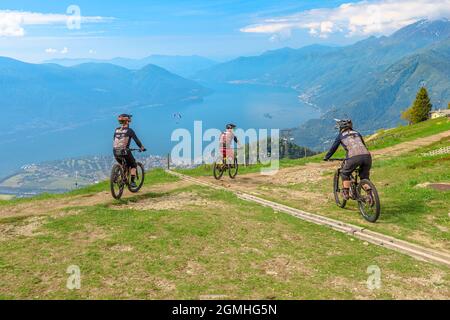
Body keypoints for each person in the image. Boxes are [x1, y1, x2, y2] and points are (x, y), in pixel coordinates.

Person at [323, 119, 372, 200]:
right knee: (364, 177)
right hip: (367, 156)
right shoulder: (357, 133)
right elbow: (363, 145)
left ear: (341, 128)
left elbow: (333, 148)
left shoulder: (341, 135)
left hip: (354, 157)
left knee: (345, 173)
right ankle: (370, 195)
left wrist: (326, 157)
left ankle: (345, 192)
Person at [113, 114, 146, 188]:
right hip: (124, 151)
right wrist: (142, 147)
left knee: (123, 165)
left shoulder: (116, 129)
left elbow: (114, 140)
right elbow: (137, 141)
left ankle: (119, 177)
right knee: (133, 164)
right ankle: (132, 182)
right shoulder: (130, 131)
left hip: (115, 151)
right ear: (128, 122)